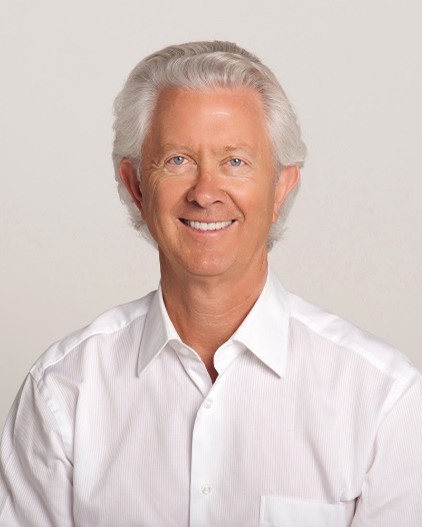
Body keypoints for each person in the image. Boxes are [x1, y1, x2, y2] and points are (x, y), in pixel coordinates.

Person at [0, 41, 421, 527]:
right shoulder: (63, 391)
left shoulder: (382, 400)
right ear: (136, 185)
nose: (205, 193)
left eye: (235, 161)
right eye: (177, 160)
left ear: (281, 185)